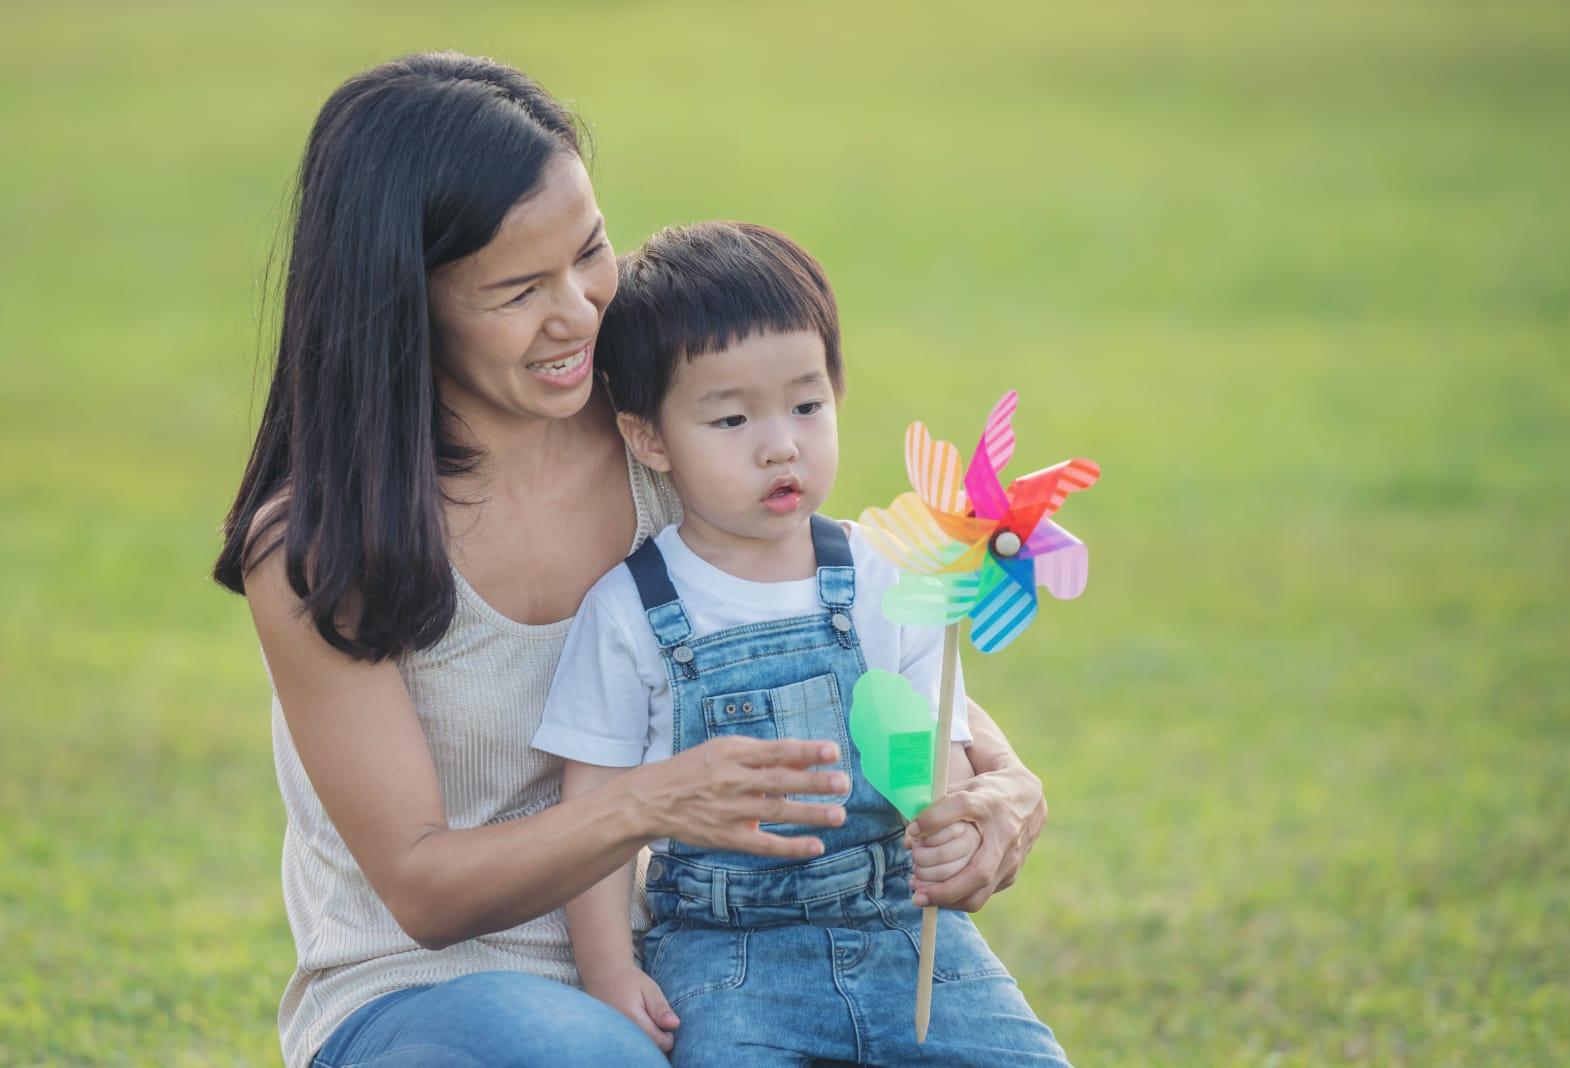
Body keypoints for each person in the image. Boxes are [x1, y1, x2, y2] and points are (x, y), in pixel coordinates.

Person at [213, 52, 1051, 1068]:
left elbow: (873, 623)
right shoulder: (321, 543)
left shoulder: (669, 435)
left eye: (589, 252)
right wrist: (647, 802)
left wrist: (1002, 785)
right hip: (433, 988)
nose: (579, 311)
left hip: (696, 956)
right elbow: (423, 893)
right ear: (410, 304)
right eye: (520, 290)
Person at [533, 220, 1070, 1065]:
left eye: (807, 405)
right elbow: (596, 809)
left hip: (898, 925)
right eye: (732, 417)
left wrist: (954, 823)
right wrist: (608, 971)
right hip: (724, 956)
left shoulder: (891, 574)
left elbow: (940, 742)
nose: (780, 442)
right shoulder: (630, 608)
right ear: (648, 439)